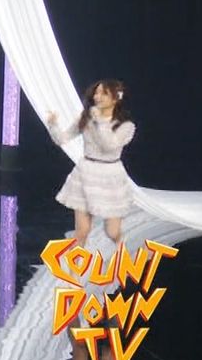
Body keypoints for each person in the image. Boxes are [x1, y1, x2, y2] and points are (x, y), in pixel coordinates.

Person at [48, 79, 136, 244]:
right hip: (86, 173)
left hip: (111, 176)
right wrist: (53, 125)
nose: (97, 97)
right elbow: (62, 139)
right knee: (82, 231)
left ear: (115, 98)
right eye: (96, 92)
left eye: (104, 93)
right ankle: (76, 261)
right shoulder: (86, 118)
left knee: (112, 232)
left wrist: (100, 121)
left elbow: (109, 145)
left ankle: (123, 254)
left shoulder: (126, 126)